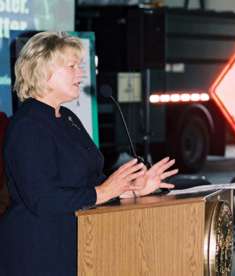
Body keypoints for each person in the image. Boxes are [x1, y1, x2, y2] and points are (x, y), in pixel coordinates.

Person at [0, 32, 178, 276]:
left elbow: (88, 185)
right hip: (38, 255)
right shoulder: (28, 126)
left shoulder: (67, 118)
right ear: (43, 70)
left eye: (80, 66)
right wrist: (105, 191)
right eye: (72, 66)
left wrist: (131, 189)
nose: (81, 74)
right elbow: (43, 199)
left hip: (78, 245)